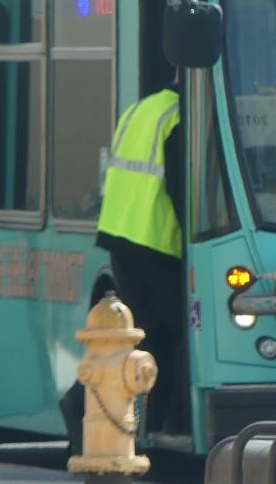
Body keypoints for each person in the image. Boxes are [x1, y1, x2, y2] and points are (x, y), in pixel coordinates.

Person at [60, 73, 185, 449]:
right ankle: (166, 421)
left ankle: (84, 405)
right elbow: (183, 193)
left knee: (141, 336)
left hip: (123, 237)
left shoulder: (142, 110)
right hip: (156, 242)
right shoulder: (180, 120)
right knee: (180, 331)